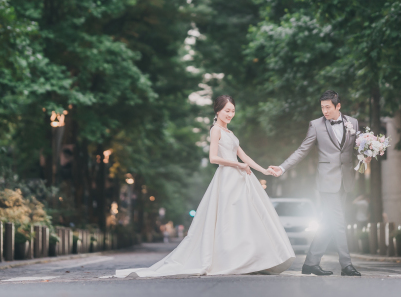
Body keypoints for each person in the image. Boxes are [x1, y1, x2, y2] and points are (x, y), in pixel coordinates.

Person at [115, 95, 294, 278]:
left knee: (243, 218)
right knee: (227, 219)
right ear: (218, 111)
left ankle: (247, 259)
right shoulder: (215, 130)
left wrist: (263, 171)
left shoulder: (231, 133)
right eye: (227, 111)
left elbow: (244, 156)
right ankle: (229, 260)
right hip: (227, 178)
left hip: (240, 177)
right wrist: (237, 165)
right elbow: (213, 158)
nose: (230, 114)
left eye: (232, 111)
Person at [268, 90, 362, 277]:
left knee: (329, 223)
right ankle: (346, 265)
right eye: (322, 107)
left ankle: (310, 263)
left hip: (346, 180)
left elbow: (356, 149)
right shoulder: (316, 125)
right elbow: (302, 149)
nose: (325, 111)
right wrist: (283, 167)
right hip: (327, 181)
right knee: (339, 221)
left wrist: (364, 158)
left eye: (328, 107)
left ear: (338, 106)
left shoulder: (353, 123)